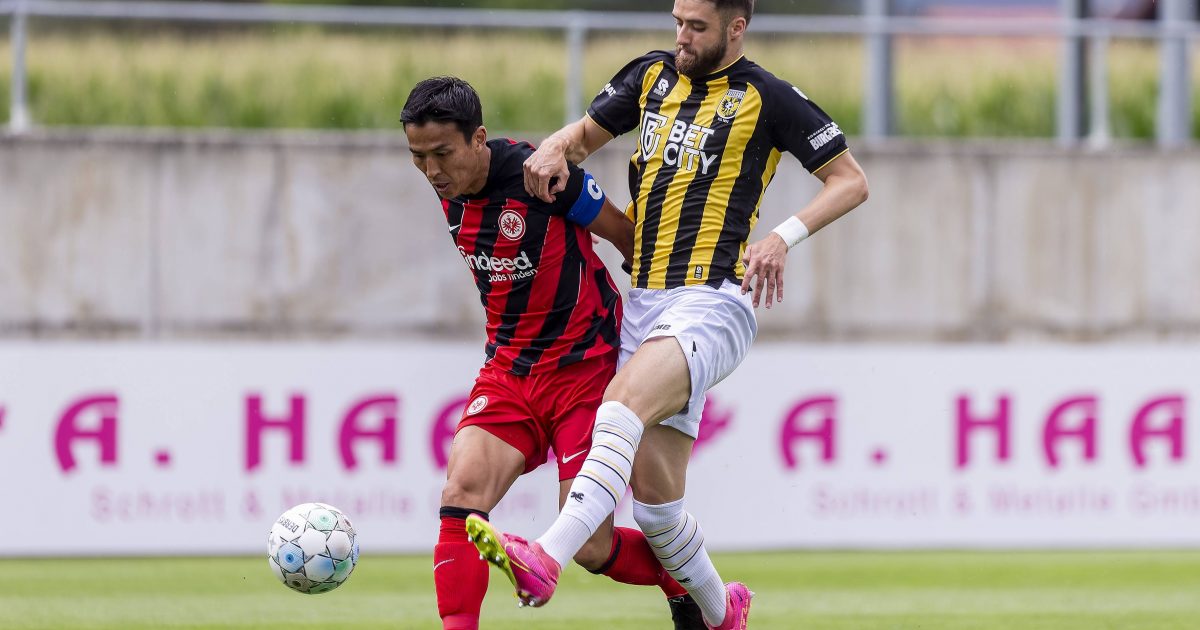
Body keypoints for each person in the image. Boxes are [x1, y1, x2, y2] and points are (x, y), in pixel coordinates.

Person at [465, 1, 870, 629]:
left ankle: (545, 556)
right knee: (655, 510)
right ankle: (721, 612)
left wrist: (781, 238)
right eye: (678, 21)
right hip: (646, 303)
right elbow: (583, 135)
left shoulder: (768, 97)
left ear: (737, 27)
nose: (682, 36)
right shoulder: (650, 77)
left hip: (712, 299)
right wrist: (554, 149)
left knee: (618, 405)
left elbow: (850, 180)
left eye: (698, 26)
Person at [401, 76, 707, 630]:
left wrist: (675, 321)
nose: (432, 171)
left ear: (479, 139)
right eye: (418, 158)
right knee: (460, 492)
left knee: (591, 547)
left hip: (584, 373)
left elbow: (629, 239)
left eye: (442, 154)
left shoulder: (541, 177)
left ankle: (683, 580)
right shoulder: (446, 187)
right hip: (509, 371)